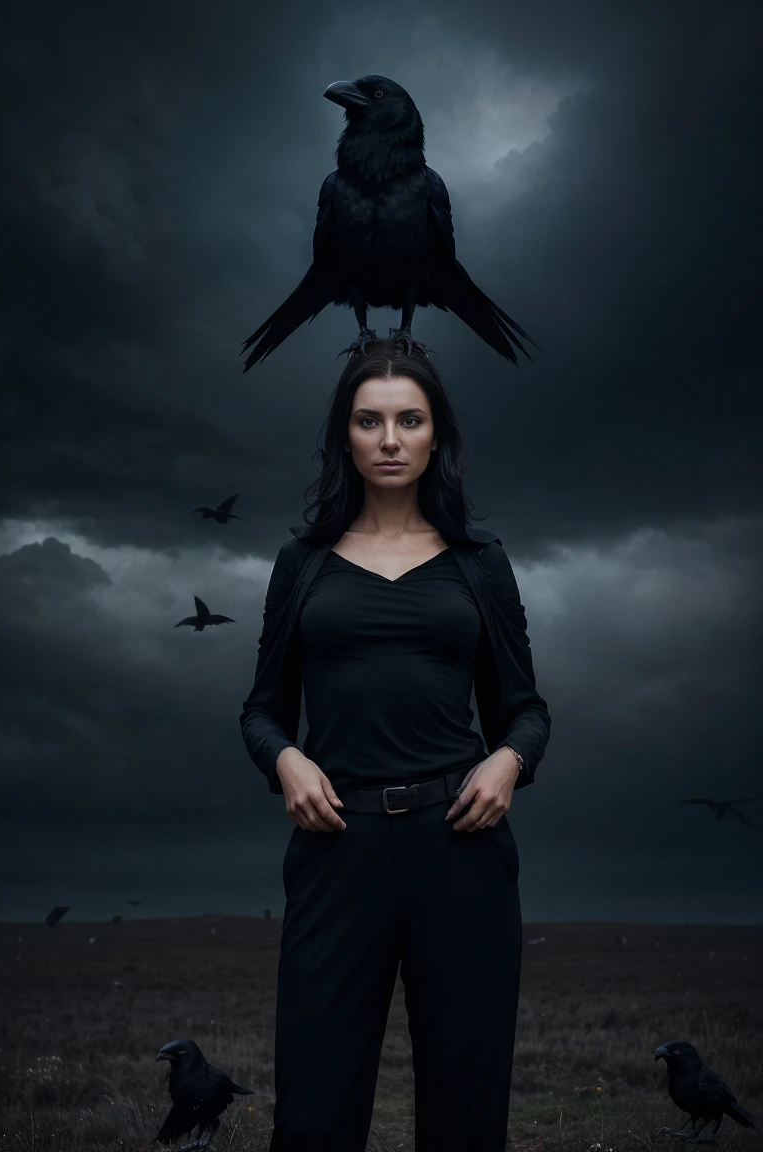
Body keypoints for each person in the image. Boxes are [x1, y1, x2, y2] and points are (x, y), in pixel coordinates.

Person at [239, 338, 551, 1152]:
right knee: (312, 1119)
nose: (389, 438)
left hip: (463, 851)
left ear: (435, 434)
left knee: (465, 1117)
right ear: (344, 436)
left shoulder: (481, 566)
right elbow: (260, 712)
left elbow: (526, 712)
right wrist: (287, 759)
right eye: (369, 420)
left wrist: (508, 761)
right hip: (336, 850)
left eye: (409, 420)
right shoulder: (301, 564)